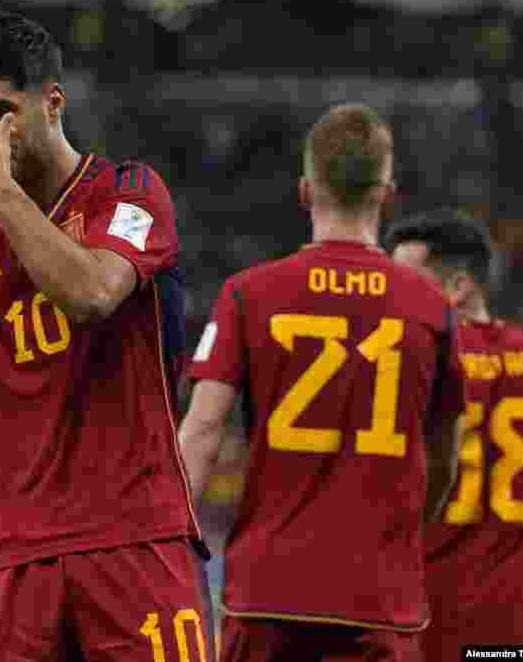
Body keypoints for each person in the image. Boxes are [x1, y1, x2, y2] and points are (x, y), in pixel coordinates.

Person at [0, 11, 212, 662]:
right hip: (15, 555)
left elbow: (91, 294)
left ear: (52, 101)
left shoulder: (130, 193)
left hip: (132, 540)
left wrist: (0, 194)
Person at [179, 103, 466, 662]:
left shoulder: (247, 293)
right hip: (380, 595)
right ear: (387, 194)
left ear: (306, 191)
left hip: (267, 592)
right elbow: (445, 459)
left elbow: (201, 432)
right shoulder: (430, 306)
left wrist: (165, 548)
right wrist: (404, 536)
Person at [386, 209, 523, 657]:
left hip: (426, 626)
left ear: (458, 288)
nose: (392, 298)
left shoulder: (406, 364)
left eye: (404, 283)